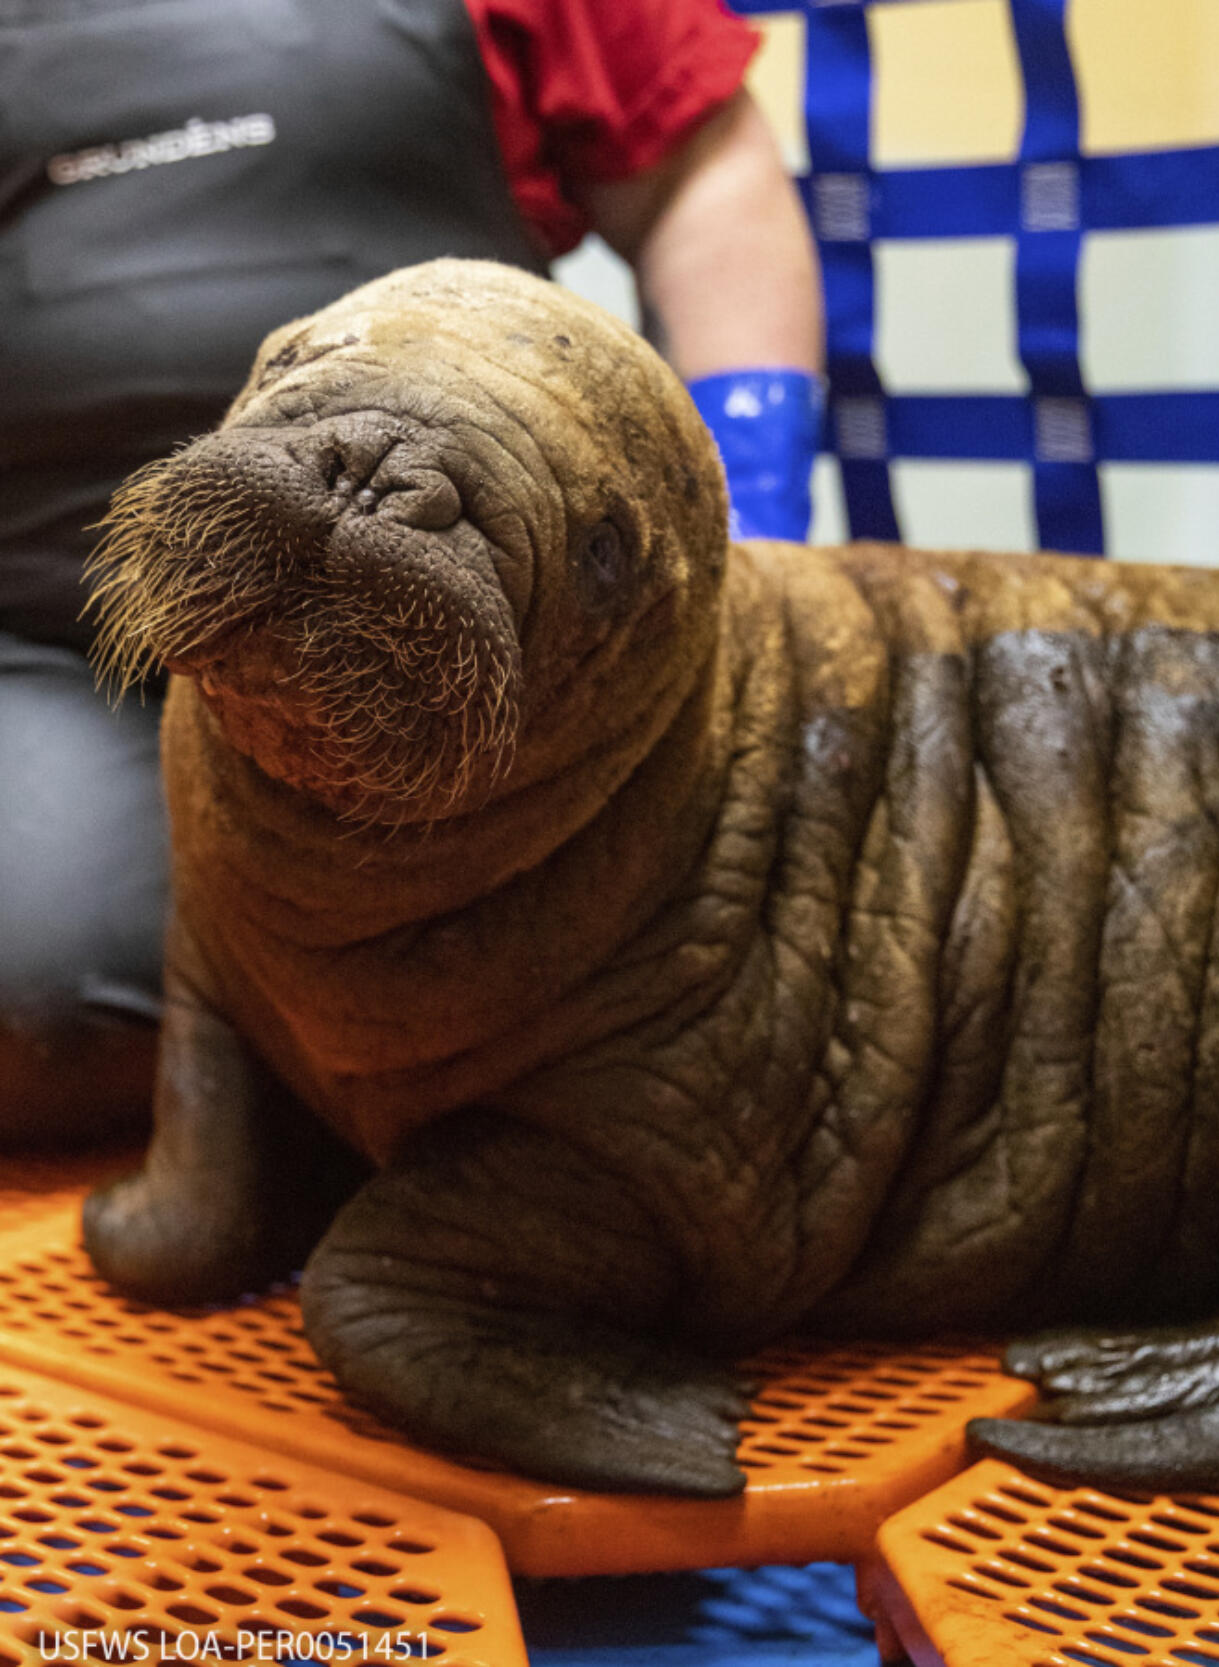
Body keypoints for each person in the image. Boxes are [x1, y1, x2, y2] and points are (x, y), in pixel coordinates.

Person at [0, 0, 824, 1141]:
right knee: (40, 1008)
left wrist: (759, 503)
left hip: (476, 637)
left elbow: (702, 175)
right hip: (56, 639)